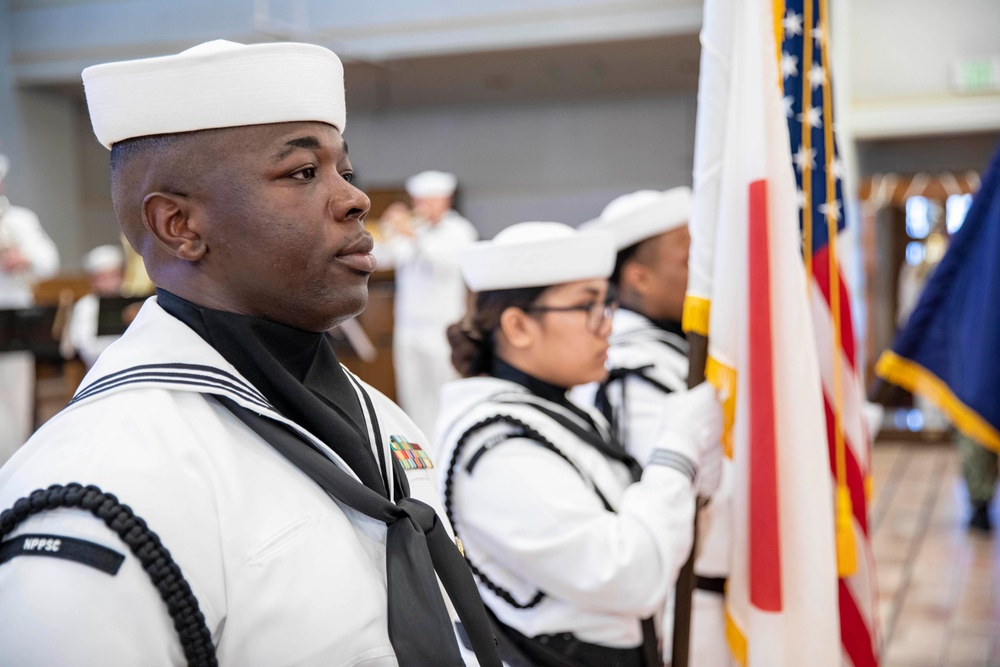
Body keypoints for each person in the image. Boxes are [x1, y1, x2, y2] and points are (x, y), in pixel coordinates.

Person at [0, 40, 501, 667]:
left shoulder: (379, 418)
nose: (355, 199)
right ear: (178, 226)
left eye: (345, 170)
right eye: (301, 173)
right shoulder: (108, 475)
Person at [434, 221, 722, 667]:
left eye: (606, 304)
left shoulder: (554, 414)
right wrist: (676, 452)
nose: (606, 325)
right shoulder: (498, 446)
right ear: (518, 327)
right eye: (588, 306)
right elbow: (632, 576)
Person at [578, 188, 732, 666]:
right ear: (639, 277)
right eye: (691, 259)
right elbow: (673, 498)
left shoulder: (673, 351)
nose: (707, 274)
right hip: (694, 605)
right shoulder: (633, 368)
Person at [375, 170, 477, 435]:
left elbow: (447, 264)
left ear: (446, 201)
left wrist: (413, 235)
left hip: (441, 327)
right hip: (408, 327)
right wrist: (388, 229)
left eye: (428, 200)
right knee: (412, 393)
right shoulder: (413, 229)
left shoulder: (460, 230)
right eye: (418, 200)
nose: (420, 207)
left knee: (444, 391)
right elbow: (382, 258)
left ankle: (448, 439)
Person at [0, 154, 60, 462]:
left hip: (13, 322)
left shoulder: (19, 220)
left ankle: (14, 464)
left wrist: (24, 258)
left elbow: (49, 261)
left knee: (16, 398)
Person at [68, 244, 125, 367]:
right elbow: (85, 346)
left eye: (113, 276)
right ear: (93, 281)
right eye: (103, 278)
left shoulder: (128, 301)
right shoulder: (85, 305)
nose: (110, 283)